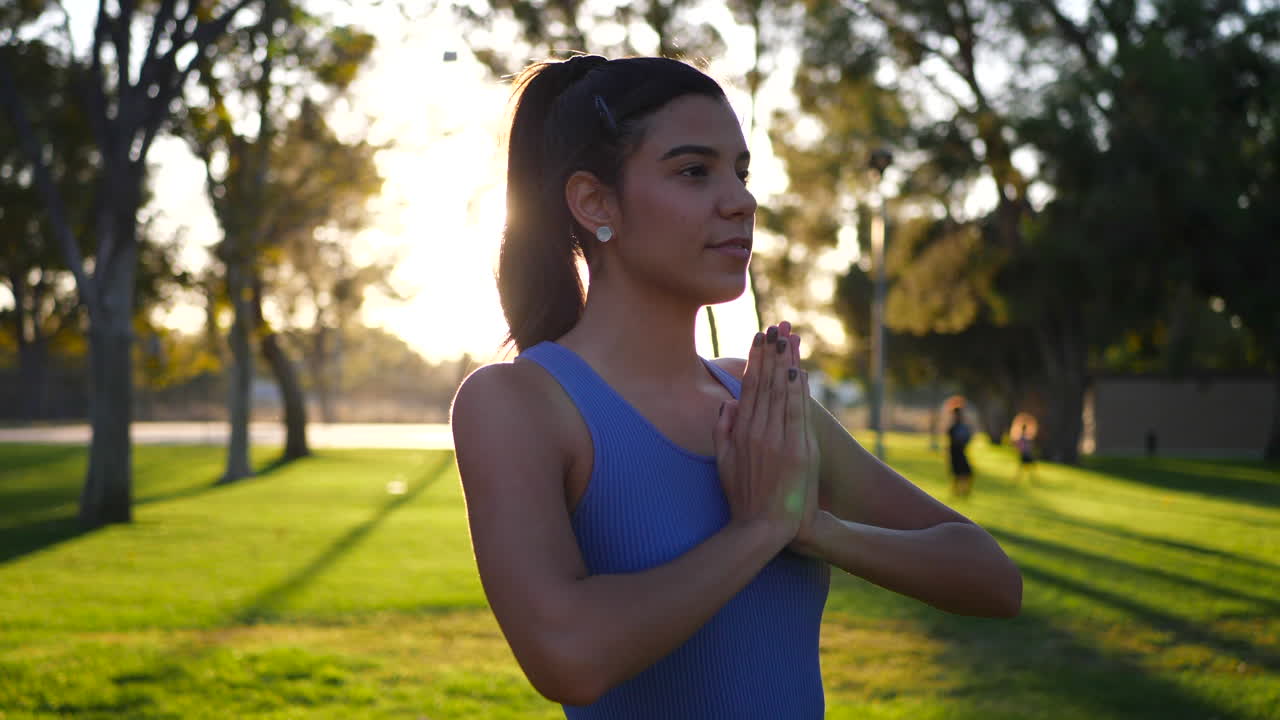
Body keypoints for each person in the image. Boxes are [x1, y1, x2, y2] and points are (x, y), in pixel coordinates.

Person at [450, 55, 1022, 719]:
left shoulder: (764, 404)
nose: (741, 200)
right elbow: (569, 656)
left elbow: (993, 579)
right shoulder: (520, 403)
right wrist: (758, 532)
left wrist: (815, 531)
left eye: (741, 172)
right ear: (594, 201)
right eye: (695, 171)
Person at [947, 406, 975, 497]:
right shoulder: (953, 427)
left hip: (961, 452)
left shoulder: (962, 426)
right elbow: (954, 440)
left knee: (966, 473)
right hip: (955, 452)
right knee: (957, 475)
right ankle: (956, 493)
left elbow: (967, 438)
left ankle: (964, 492)